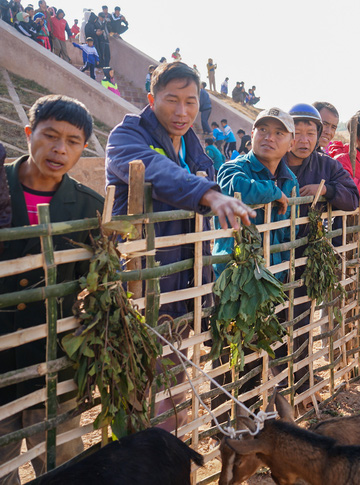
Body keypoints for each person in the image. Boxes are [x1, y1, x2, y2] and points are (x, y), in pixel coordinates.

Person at [105, 62, 255, 432]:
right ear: (152, 99)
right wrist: (205, 192)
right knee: (141, 390)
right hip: (142, 284)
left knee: (172, 385)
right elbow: (152, 168)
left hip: (183, 283)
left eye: (191, 102)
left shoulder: (191, 144)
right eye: (172, 100)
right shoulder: (128, 135)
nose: (182, 111)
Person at [0, 95, 104, 483]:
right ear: (28, 134)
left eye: (73, 141)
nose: (60, 149)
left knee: (63, 464)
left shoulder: (87, 208)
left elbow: (97, 286)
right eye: (50, 136)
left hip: (54, 361)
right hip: (0, 356)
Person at [283, 104, 359, 396]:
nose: (303, 140)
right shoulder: (272, 159)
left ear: (318, 136)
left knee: (302, 319)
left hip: (305, 255)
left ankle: (301, 383)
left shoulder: (326, 165)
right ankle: (282, 387)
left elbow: (351, 197)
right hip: (273, 255)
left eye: (310, 133)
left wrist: (325, 190)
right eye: (297, 133)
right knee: (277, 323)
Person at [212, 107, 297, 277]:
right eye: (263, 130)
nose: (269, 137)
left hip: (274, 275)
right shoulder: (232, 168)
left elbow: (289, 232)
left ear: (291, 144)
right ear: (252, 135)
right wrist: (273, 191)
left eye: (279, 133)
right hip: (234, 276)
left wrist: (285, 269)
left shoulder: (290, 181)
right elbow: (238, 188)